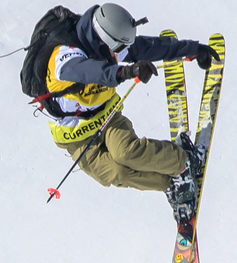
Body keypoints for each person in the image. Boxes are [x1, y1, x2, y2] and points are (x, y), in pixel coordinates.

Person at [33, 4, 219, 226]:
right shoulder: (63, 58)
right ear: (105, 39)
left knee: (126, 152)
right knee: (115, 173)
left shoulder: (106, 44)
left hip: (105, 116)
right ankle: (172, 183)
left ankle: (184, 162)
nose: (120, 53)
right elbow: (87, 71)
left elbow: (146, 47)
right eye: (119, 47)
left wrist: (192, 49)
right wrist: (125, 71)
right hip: (75, 136)